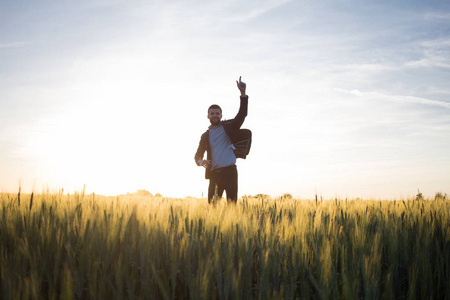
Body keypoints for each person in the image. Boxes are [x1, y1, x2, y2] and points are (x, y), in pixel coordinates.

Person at [194, 76, 249, 204]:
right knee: (212, 208)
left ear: (221, 115)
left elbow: (242, 114)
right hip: (214, 174)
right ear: (208, 116)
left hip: (230, 173)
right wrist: (201, 161)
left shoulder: (229, 127)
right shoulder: (205, 136)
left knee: (232, 207)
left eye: (217, 113)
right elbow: (197, 155)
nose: (215, 115)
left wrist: (243, 94)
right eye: (212, 113)